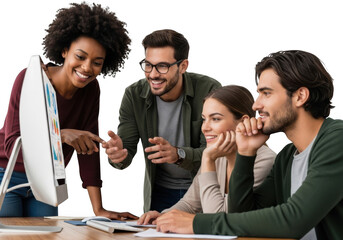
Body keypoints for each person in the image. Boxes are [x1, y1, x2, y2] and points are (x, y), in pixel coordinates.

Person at [155, 50, 343, 240]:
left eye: (266, 93)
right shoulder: (287, 158)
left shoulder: (337, 140)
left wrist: (196, 223)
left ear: (300, 96)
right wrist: (245, 153)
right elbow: (240, 218)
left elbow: (293, 220)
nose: (256, 105)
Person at [0, 2, 137, 219]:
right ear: (64, 51)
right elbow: (12, 149)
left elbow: (88, 149)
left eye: (97, 62)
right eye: (80, 57)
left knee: (46, 235)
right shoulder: (31, 78)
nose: (86, 68)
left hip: (47, 181)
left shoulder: (91, 89)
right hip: (6, 173)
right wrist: (60, 136)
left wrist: (98, 209)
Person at [102, 29, 221, 212]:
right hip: (159, 193)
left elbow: (215, 152)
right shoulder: (134, 95)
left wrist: (178, 154)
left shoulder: (209, 90)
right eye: (148, 65)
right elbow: (125, 153)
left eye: (162, 66)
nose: (153, 74)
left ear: (183, 66)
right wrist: (118, 155)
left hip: (203, 188)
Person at [137, 85, 275, 224]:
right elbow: (190, 204)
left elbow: (220, 220)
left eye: (215, 119)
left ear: (243, 121)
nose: (205, 127)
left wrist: (207, 159)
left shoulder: (264, 161)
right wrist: (163, 216)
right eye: (204, 119)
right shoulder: (218, 155)